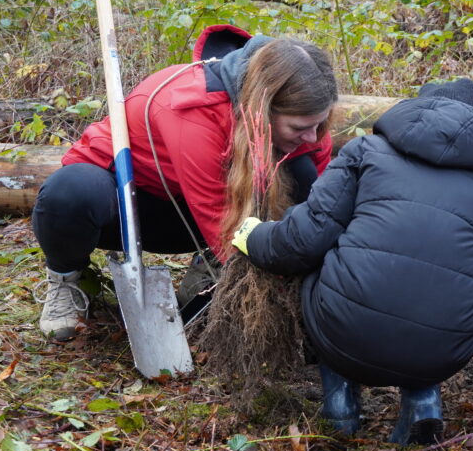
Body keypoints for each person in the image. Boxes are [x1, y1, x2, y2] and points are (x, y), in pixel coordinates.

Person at [231, 79, 473, 445]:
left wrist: (252, 235)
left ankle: (339, 408)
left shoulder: (364, 151)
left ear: (415, 111)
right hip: (443, 351)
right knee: (441, 284)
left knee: (326, 263)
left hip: (347, 334)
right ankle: (423, 402)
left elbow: (304, 240)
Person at [32, 25, 338, 341]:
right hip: (127, 204)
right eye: (300, 127)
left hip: (194, 208)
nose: (312, 137)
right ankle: (66, 279)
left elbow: (321, 206)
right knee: (70, 192)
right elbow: (216, 215)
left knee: (301, 172)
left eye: (318, 125)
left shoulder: (305, 116)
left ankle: (209, 268)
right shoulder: (191, 111)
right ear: (263, 108)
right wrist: (273, 292)